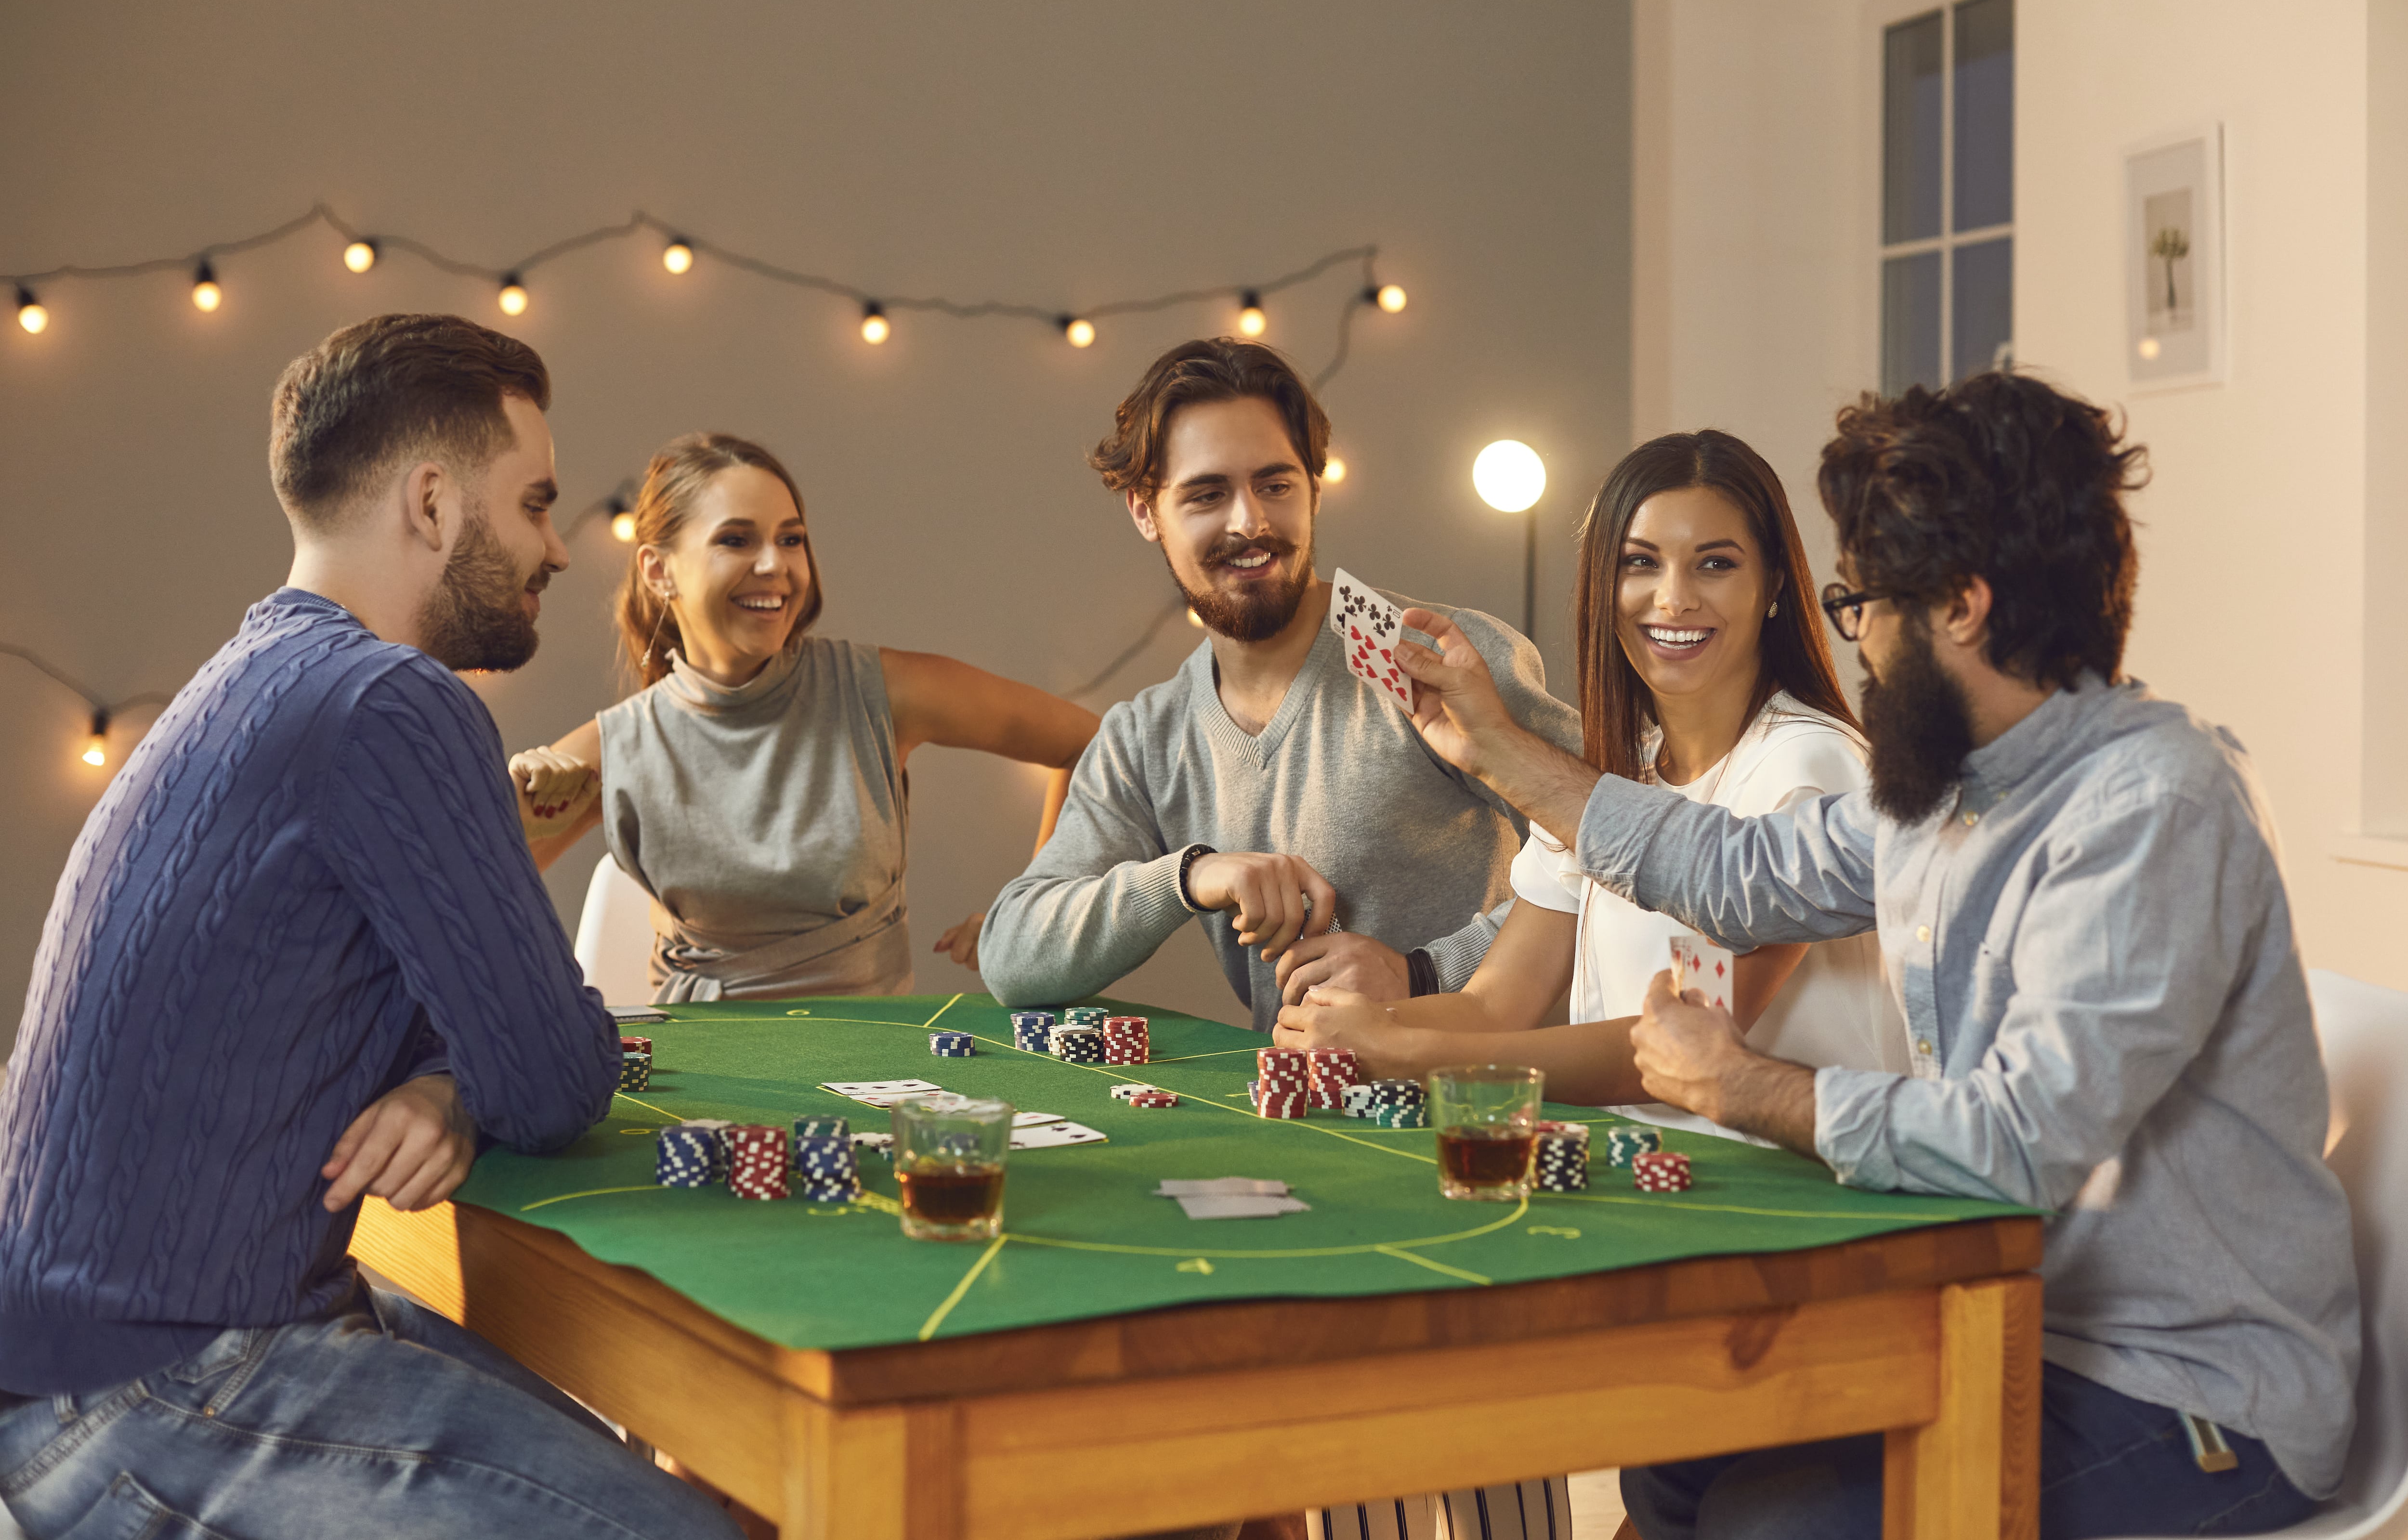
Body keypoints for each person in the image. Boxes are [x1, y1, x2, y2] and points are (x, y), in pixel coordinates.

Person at [1387, 371, 2356, 1538]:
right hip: (2003, 1323)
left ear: (1959, 605)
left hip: (2190, 1397)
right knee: (1675, 1464)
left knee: (1769, 1517)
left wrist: (1740, 1083)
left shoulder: (2152, 804)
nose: (1855, 642)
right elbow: (1737, 872)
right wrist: (1497, 751)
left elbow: (2014, 1146)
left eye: (1862, 606)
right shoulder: (1948, 782)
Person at [0, 315, 741, 1539]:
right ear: (438, 504)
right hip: (153, 1388)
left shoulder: (252, 674)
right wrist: (485, 1073)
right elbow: (554, 1079)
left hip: (94, 1352)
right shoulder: (392, 703)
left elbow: (455, 1032)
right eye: (537, 503)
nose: (558, 547)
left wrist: (446, 1085)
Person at [1275, 431, 1907, 1128]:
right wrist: (1355, 1026)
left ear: (1774, 586)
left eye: (1715, 564)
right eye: (1641, 563)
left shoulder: (1804, 764)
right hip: (1642, 1179)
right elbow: (1493, 1004)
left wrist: (1407, 1051)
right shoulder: (1608, 779)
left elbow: (1685, 1043)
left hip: (1794, 1196)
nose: (1674, 599)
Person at [979, 337, 1582, 1031]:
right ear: (1146, 511)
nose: (1251, 522)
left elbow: (1617, 853)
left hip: (1482, 1110)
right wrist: (1189, 876)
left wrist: (1425, 973)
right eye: (1208, 493)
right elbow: (1012, 955)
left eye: (1275, 484)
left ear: (1315, 487)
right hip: (1295, 1114)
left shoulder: (1437, 655)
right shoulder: (1147, 738)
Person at [508, 431, 1098, 1002]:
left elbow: (1094, 744)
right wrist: (517, 813)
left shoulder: (880, 691)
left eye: (790, 540)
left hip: (871, 1067)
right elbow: (461, 890)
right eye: (736, 540)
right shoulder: (616, 748)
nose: (775, 565)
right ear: (658, 571)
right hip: (703, 1072)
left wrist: (1035, 909)